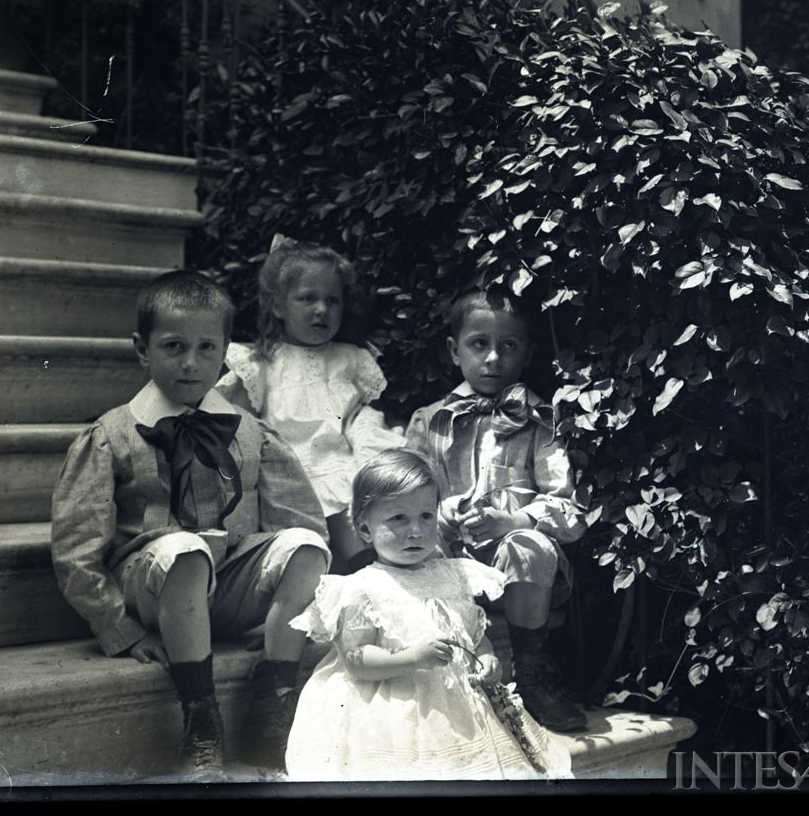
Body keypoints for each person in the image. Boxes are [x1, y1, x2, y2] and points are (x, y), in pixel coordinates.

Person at [51, 270, 332, 778]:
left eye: (207, 348)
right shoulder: (110, 435)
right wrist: (122, 629)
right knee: (184, 549)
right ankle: (201, 721)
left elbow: (303, 519)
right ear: (142, 349)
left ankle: (272, 704)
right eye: (174, 346)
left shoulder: (251, 432)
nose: (190, 362)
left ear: (226, 351)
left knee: (307, 544)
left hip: (227, 592)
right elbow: (75, 550)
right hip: (154, 593)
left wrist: (277, 617)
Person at [285, 449, 572, 781]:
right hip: (392, 703)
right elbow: (356, 659)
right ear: (365, 530)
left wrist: (487, 658)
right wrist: (411, 657)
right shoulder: (362, 588)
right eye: (398, 519)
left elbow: (472, 634)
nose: (416, 531)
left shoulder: (454, 575)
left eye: (426, 516)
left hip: (457, 705)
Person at [405, 289, 588, 733]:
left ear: (528, 354)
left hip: (514, 579)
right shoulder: (428, 421)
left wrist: (516, 520)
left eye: (508, 346)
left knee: (529, 544)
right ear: (454, 350)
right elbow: (403, 495)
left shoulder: (541, 423)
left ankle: (531, 670)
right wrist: (441, 514)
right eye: (479, 344)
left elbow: (570, 508)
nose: (493, 358)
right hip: (448, 567)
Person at [217, 236, 404, 574]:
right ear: (278, 306)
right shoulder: (260, 364)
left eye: (332, 300)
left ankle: (378, 574)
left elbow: (360, 419)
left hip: (345, 469)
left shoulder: (349, 359)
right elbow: (239, 429)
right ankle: (366, 572)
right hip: (289, 477)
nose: (322, 309)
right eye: (307, 298)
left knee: (370, 507)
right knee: (331, 518)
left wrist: (368, 452)